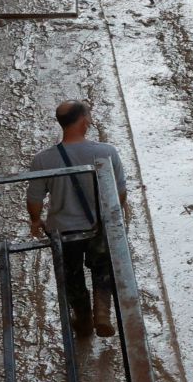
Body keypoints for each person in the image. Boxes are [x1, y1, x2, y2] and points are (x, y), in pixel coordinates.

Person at [27, 100, 129, 338]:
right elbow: (119, 191)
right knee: (102, 268)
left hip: (63, 231)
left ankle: (82, 320)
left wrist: (35, 220)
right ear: (85, 120)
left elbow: (34, 199)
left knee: (72, 276)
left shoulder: (43, 160)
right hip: (97, 226)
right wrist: (115, 215)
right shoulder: (106, 152)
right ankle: (102, 313)